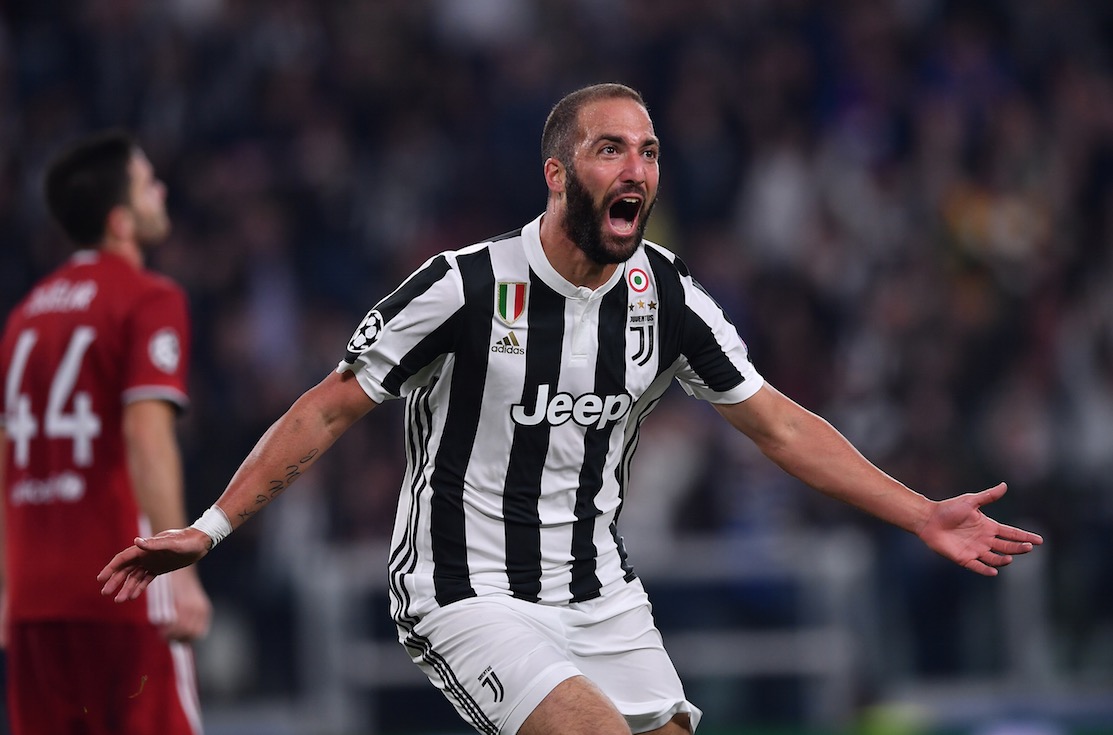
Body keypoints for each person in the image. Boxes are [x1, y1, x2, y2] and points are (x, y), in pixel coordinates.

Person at [98, 84, 1043, 735]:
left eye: (648, 150)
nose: (635, 164)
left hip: (599, 593)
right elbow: (325, 410)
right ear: (558, 173)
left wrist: (920, 509)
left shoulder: (665, 296)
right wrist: (213, 527)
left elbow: (779, 422)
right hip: (464, 590)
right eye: (608, 148)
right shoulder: (466, 288)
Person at [0, 130, 211, 734]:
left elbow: (7, 455)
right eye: (149, 183)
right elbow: (146, 435)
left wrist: (8, 584)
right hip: (125, 585)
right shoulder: (148, 298)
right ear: (121, 222)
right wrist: (183, 571)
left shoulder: (23, 317)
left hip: (35, 599)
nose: (161, 190)